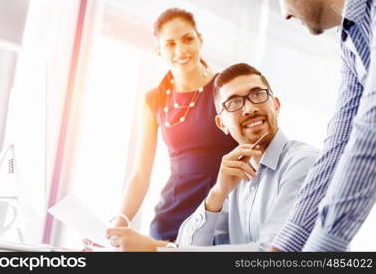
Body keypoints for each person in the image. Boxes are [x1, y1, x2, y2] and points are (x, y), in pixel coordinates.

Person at [104, 63, 318, 251]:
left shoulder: (304, 163)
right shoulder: (235, 177)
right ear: (222, 125)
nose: (250, 108)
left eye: (257, 95)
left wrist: (157, 249)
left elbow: (271, 253)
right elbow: (191, 245)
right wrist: (217, 193)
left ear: (276, 105)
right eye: (234, 103)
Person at [265, 0, 376, 252]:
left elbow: (370, 134)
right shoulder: (352, 35)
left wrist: (320, 251)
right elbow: (340, 143)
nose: (285, 14)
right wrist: (284, 249)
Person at [112, 8, 236, 241]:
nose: (181, 50)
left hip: (220, 218)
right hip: (170, 221)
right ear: (159, 51)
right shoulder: (153, 100)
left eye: (187, 39)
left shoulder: (227, 88)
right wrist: (121, 220)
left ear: (200, 40)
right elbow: (140, 174)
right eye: (170, 44)